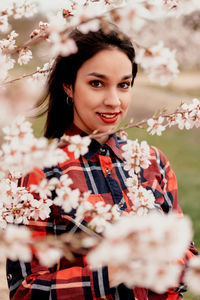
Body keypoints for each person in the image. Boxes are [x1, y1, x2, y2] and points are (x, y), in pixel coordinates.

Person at [7, 26, 197, 300]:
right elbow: (24, 292)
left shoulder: (153, 162)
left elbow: (188, 260)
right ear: (68, 85)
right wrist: (111, 273)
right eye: (97, 83)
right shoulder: (39, 173)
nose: (114, 101)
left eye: (124, 84)